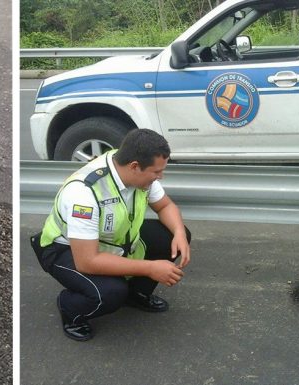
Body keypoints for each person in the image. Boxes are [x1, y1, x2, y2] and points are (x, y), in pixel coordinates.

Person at [31, 129, 191, 341]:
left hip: (112, 241)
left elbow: (165, 206)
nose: (160, 176)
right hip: (65, 250)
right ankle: (71, 309)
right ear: (135, 166)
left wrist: (179, 232)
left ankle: (136, 294)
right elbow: (87, 261)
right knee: (110, 292)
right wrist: (151, 268)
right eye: (156, 172)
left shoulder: (133, 167)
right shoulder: (84, 194)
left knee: (172, 237)